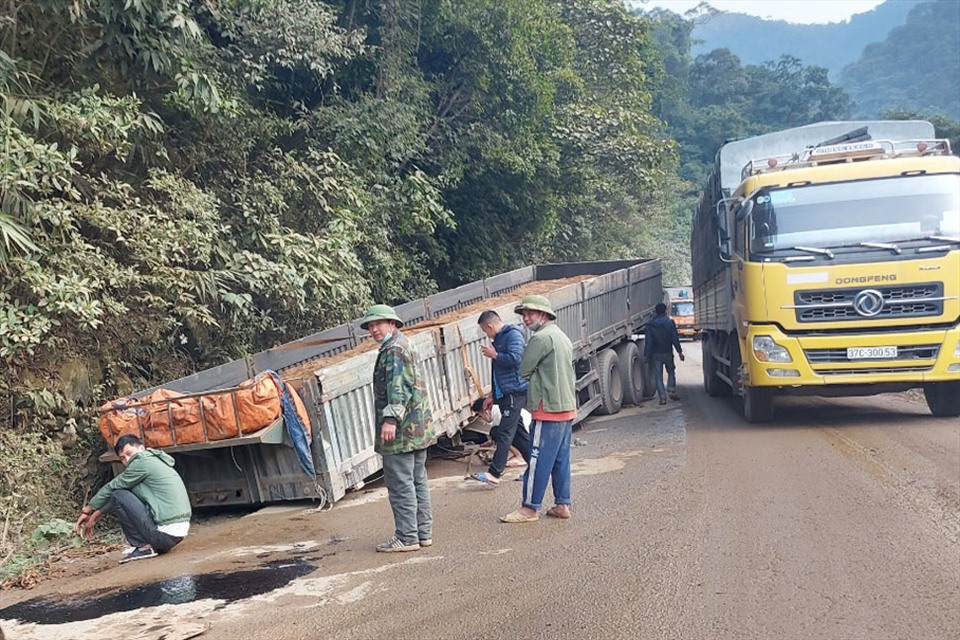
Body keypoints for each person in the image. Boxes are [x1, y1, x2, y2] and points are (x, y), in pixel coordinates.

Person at [360, 304, 436, 552]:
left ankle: (407, 537)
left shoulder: (393, 350)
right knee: (417, 481)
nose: (374, 329)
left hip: (402, 431)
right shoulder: (404, 344)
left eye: (378, 324)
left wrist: (390, 419)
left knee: (401, 484)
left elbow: (399, 387)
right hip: (417, 428)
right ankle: (422, 534)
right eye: (370, 326)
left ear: (392, 323)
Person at [500, 295, 576, 523]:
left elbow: (523, 369)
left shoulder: (540, 338)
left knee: (537, 460)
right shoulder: (561, 336)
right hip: (566, 406)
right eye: (523, 314)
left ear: (543, 315)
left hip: (547, 408)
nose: (525, 318)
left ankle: (529, 508)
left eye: (530, 313)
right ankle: (562, 504)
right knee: (560, 460)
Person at [75, 434, 191, 563]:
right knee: (120, 494)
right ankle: (148, 545)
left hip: (164, 536)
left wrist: (87, 510)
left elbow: (112, 488)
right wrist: (95, 516)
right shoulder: (152, 460)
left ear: (141, 448)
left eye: (129, 453)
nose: (128, 460)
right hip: (174, 536)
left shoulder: (142, 462)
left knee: (117, 494)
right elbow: (125, 496)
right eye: (123, 458)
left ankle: (143, 547)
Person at [468, 309, 530, 487]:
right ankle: (536, 467)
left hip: (514, 392)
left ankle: (494, 473)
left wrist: (494, 355)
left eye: (485, 330)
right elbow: (499, 373)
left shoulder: (513, 335)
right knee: (519, 435)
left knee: (504, 432)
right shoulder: (499, 339)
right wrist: (492, 395)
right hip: (504, 393)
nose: (486, 334)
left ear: (489, 325)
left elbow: (517, 359)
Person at [470, 397, 531, 470]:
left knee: (496, 433)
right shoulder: (496, 410)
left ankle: (519, 456)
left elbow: (503, 435)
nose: (482, 418)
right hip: (524, 433)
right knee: (496, 433)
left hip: (525, 433)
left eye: (480, 415)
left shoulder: (498, 412)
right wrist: (488, 443)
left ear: (485, 411)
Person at [645, 302, 686, 405]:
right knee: (671, 370)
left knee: (658, 375)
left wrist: (647, 355)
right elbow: (675, 339)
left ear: (656, 311)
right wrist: (680, 352)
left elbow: (648, 342)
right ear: (665, 311)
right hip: (668, 352)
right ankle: (671, 389)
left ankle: (662, 397)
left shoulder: (650, 325)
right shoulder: (670, 323)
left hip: (656, 354)